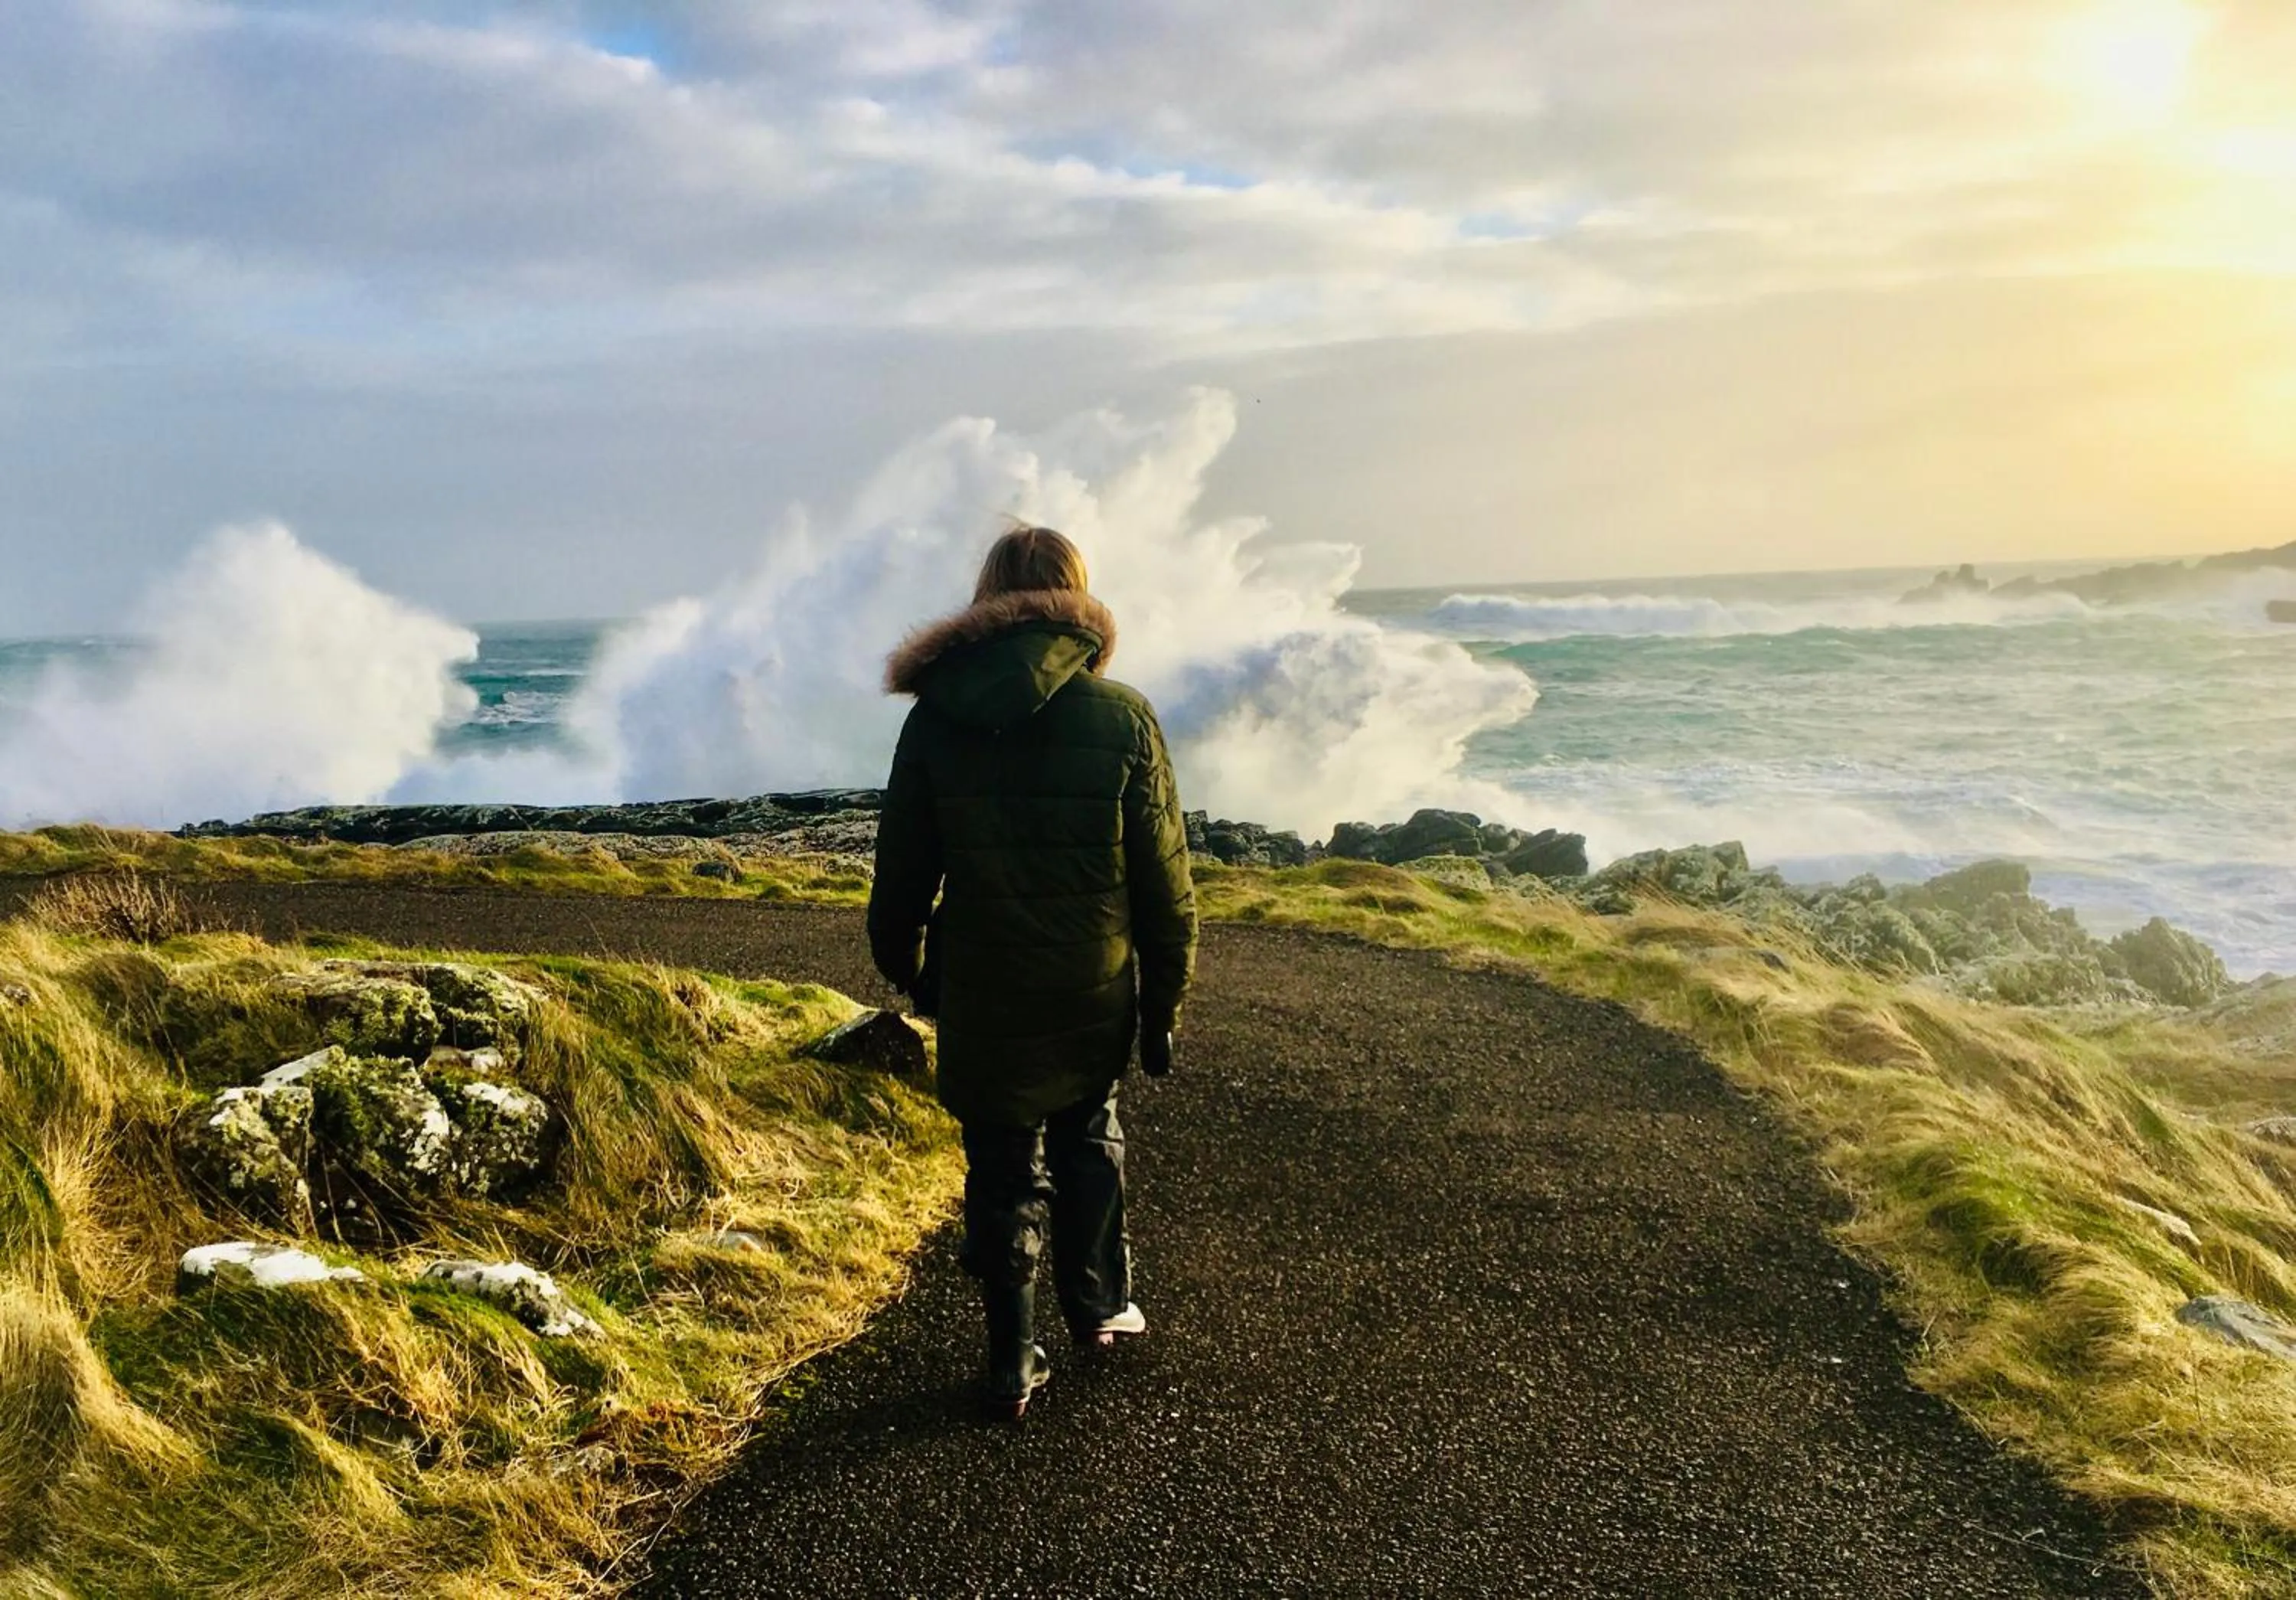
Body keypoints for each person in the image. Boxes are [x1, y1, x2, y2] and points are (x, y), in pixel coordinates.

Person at [867, 526, 1198, 1420]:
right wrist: (1163, 1001)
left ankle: (1010, 1359)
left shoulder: (934, 718)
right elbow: (1165, 880)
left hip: (983, 979)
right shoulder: (1122, 715)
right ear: (1078, 600)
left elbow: (900, 871)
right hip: (1093, 980)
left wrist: (908, 969)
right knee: (1090, 1125)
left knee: (1001, 1161)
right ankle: (1098, 1305)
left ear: (986, 599)